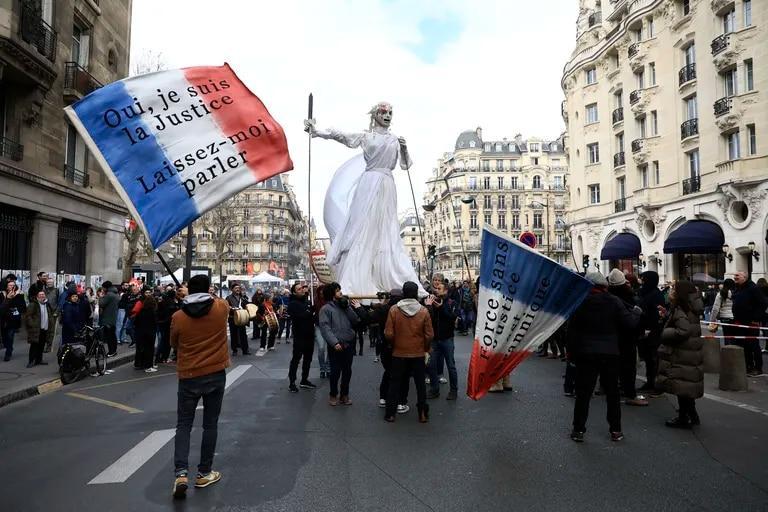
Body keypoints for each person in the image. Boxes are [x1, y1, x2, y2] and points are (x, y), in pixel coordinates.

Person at [305, 103, 426, 297]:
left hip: (387, 183)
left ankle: (388, 273)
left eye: (390, 113)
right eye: (383, 112)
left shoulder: (395, 140)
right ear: (375, 115)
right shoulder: (366, 136)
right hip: (369, 182)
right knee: (362, 227)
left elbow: (405, 165)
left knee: (387, 228)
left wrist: (404, 148)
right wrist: (317, 131)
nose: (387, 116)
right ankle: (358, 277)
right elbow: (342, 136)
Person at [170, 274, 230, 499]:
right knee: (210, 424)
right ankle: (204, 472)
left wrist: (183, 301)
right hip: (215, 373)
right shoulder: (221, 307)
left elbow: (173, 342)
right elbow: (216, 301)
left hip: (189, 374)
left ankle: (181, 473)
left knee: (184, 425)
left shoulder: (178, 316)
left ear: (188, 290)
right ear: (208, 289)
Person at [566, 272, 641, 443]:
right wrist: (636, 313)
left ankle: (578, 430)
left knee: (583, 393)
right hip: (610, 352)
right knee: (612, 393)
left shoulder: (580, 302)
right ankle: (616, 430)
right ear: (604, 286)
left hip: (586, 353)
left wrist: (571, 352)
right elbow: (629, 323)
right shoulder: (614, 302)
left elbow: (572, 330)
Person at [383, 281, 433, 423]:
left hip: (399, 352)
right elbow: (429, 335)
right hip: (417, 352)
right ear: (416, 294)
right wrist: (425, 348)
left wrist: (395, 344)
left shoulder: (394, 310)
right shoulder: (423, 311)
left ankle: (391, 413)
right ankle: (422, 413)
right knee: (420, 384)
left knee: (395, 383)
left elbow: (388, 334)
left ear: (403, 293)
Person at [657, 281, 704, 428]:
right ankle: (691, 415)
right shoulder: (690, 307)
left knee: (682, 387)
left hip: (682, 353)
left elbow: (683, 331)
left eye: (673, 289)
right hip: (690, 352)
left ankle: (684, 418)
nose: (670, 291)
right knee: (686, 386)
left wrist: (664, 332)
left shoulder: (681, 309)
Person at [319, 282, 367, 406]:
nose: (340, 292)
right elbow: (325, 328)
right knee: (335, 371)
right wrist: (334, 342)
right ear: (331, 294)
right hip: (336, 345)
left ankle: (344, 394)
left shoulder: (344, 306)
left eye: (340, 290)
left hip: (349, 343)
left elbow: (355, 320)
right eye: (337, 290)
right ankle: (333, 394)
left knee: (347, 371)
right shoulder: (326, 309)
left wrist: (348, 307)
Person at [607, 269, 648, 406]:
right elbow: (630, 322)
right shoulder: (627, 298)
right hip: (627, 338)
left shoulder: (609, 297)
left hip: (613, 337)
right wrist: (637, 314)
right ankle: (630, 394)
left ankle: (615, 390)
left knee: (616, 367)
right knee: (628, 367)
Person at [375, 290, 410, 414]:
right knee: (401, 375)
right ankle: (400, 402)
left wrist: (382, 303)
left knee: (388, 372)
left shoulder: (383, 309)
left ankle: (383, 398)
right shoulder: (403, 310)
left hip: (386, 347)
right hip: (400, 347)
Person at [425, 281, 459, 401]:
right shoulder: (432, 302)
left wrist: (442, 308)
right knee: (431, 365)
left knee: (451, 366)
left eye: (439, 288)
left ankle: (453, 391)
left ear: (445, 291)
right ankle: (435, 389)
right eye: (436, 288)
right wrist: (429, 306)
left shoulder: (451, 303)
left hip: (447, 339)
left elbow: (452, 317)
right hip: (435, 340)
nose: (436, 290)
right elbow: (428, 319)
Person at [731, 271, 768, 376]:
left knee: (753, 345)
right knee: (744, 345)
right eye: (734, 276)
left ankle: (757, 367)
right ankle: (749, 366)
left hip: (750, 322)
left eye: (737, 275)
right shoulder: (739, 288)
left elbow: (763, 303)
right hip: (740, 322)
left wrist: (756, 317)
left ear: (744, 277)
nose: (735, 277)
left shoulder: (753, 288)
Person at [636, 271, 667, 393]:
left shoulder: (656, 295)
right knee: (648, 358)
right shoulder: (644, 293)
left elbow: (659, 314)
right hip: (645, 329)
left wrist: (652, 327)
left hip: (654, 331)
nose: (642, 282)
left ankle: (657, 384)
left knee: (655, 358)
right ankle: (650, 381)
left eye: (643, 279)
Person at [287, 283, 316, 392]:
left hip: (309, 334)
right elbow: (300, 317)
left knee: (308, 359)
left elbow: (311, 316)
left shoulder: (307, 301)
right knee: (296, 359)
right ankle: (292, 382)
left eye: (302, 288)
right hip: (299, 335)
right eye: (299, 289)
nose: (302, 290)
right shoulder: (293, 304)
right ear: (294, 292)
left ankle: (304, 379)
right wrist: (309, 311)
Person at [23, 290, 55, 367]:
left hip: (45, 328)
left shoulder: (47, 304)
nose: (42, 296)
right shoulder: (33, 304)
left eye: (43, 294)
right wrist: (32, 324)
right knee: (34, 346)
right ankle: (31, 361)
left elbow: (51, 313)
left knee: (41, 345)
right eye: (40, 294)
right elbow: (28, 316)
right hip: (36, 329)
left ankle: (39, 360)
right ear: (37, 296)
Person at [132, 288, 158, 373]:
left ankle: (139, 364)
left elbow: (136, 321)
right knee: (149, 349)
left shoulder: (141, 311)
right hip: (150, 332)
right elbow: (154, 322)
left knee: (140, 348)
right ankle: (148, 365)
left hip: (140, 332)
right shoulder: (153, 312)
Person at [0, 281, 26, 361]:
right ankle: (8, 346)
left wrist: (17, 309)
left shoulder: (19, 295)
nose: (12, 286)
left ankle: (8, 352)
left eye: (13, 285)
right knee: (4, 338)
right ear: (7, 287)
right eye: (10, 285)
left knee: (10, 336)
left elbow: (23, 307)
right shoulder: (2, 295)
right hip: (3, 319)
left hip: (13, 319)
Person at [156, 286, 182, 364]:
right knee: (167, 342)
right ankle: (164, 357)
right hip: (168, 324)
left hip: (162, 323)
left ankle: (159, 357)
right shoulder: (173, 304)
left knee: (162, 341)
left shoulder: (162, 301)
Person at [225, 284, 250, 356]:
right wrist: (232, 308)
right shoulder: (228, 298)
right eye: (236, 288)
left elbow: (247, 306)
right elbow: (227, 307)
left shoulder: (243, 297)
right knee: (234, 334)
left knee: (243, 335)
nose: (238, 289)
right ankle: (234, 350)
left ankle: (245, 350)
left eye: (238, 288)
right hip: (233, 318)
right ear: (232, 289)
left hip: (242, 318)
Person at [313, 285, 331, 378]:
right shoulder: (316, 301)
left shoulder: (330, 302)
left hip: (329, 327)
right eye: (320, 292)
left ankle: (327, 368)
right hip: (319, 326)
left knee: (330, 349)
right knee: (321, 348)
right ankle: (322, 368)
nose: (321, 294)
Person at [99, 282, 120, 357]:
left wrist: (101, 296)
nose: (102, 289)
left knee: (109, 337)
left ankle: (111, 351)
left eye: (103, 288)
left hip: (108, 318)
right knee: (112, 335)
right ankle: (114, 351)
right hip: (113, 318)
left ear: (106, 287)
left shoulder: (109, 295)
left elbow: (101, 303)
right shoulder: (116, 294)